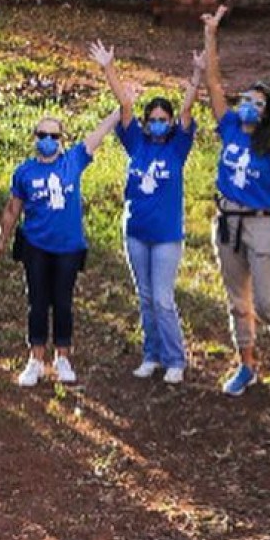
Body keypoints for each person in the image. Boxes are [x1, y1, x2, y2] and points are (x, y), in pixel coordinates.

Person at [201, 6, 270, 397]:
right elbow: (213, 82)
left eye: (258, 102)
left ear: (268, 113)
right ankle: (247, 364)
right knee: (237, 300)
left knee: (267, 302)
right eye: (246, 98)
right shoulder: (229, 126)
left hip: (262, 222)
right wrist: (211, 34)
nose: (249, 105)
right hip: (227, 220)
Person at [0, 96, 119, 385]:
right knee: (37, 302)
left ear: (62, 140)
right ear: (35, 138)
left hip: (68, 248)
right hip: (35, 246)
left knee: (63, 302)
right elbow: (12, 210)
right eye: (42, 134)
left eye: (54, 135)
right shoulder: (24, 172)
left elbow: (100, 132)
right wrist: (0, 241)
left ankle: (63, 358)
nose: (48, 139)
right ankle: (35, 359)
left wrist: (123, 106)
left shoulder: (73, 160)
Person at [91, 38, 198, 384]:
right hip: (135, 233)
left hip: (166, 238)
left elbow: (186, 112)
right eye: (151, 118)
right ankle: (151, 355)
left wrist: (196, 75)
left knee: (164, 299)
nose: (156, 123)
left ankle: (175, 358)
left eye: (161, 119)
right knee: (146, 297)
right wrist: (109, 67)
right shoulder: (135, 142)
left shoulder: (178, 148)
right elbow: (124, 105)